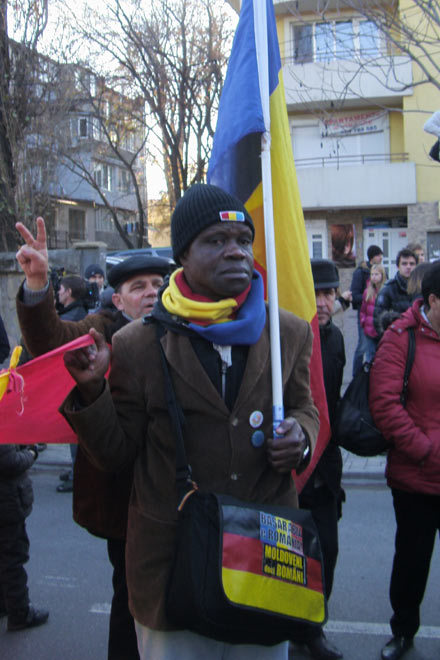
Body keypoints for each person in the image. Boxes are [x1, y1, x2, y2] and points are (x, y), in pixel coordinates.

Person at [60, 183, 320, 660]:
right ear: (183, 253)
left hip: (264, 558)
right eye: (216, 241)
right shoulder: (138, 343)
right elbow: (116, 453)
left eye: (243, 239)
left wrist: (300, 437)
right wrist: (94, 390)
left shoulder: (288, 332)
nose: (235, 252)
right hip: (171, 567)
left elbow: (306, 407)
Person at [15, 217, 172, 660]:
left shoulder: (178, 328)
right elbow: (50, 342)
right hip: (121, 496)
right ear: (117, 297)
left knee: (170, 600)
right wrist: (38, 283)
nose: (150, 293)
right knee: (129, 599)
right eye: (138, 286)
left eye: (157, 283)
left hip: (172, 493)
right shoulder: (101, 329)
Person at [370, 261, 440, 660]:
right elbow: (384, 405)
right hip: (416, 478)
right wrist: (426, 450)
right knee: (412, 561)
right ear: (432, 300)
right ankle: (403, 631)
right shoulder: (401, 337)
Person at [290, 259, 345, 660]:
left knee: (327, 552)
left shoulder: (337, 340)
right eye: (315, 293)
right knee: (290, 559)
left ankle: (313, 632)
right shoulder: (288, 337)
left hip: (326, 470)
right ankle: (289, 630)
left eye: (328, 293)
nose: (322, 303)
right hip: (290, 467)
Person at [0, 443, 49, 631]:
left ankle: (5, 604)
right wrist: (30, 453)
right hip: (7, 503)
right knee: (12, 559)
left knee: (5, 558)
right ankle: (20, 613)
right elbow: (9, 462)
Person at [56, 275, 89, 492]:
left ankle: (79, 474)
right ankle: (76, 469)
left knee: (76, 430)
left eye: (60, 289)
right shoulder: (75, 314)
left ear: (68, 293)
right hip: (74, 383)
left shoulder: (71, 319)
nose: (57, 293)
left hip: (72, 383)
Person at [350, 245, 383, 375]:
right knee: (362, 347)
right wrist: (367, 298)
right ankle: (356, 375)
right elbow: (354, 295)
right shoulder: (361, 272)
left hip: (377, 319)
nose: (381, 257)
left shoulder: (382, 274)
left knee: (374, 349)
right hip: (364, 315)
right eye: (379, 255)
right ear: (372, 257)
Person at [373, 248, 417, 337]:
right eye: (404, 263)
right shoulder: (388, 289)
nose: (408, 267)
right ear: (398, 266)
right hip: (397, 340)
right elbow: (378, 320)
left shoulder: (421, 288)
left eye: (412, 264)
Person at [359, 263, 386, 363]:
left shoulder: (385, 291)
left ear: (382, 275)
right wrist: (363, 321)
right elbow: (363, 310)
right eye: (372, 274)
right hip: (369, 329)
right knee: (370, 355)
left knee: (382, 356)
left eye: (377, 274)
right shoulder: (367, 292)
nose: (374, 277)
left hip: (381, 329)